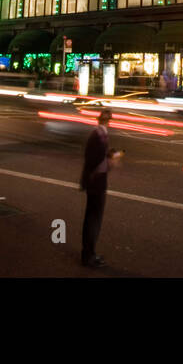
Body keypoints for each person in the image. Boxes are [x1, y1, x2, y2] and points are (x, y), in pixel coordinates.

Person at [79, 108, 119, 268]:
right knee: (93, 221)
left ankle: (88, 253)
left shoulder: (99, 133)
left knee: (92, 219)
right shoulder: (99, 135)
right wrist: (110, 161)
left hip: (94, 183)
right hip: (96, 184)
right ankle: (88, 256)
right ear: (108, 120)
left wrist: (108, 155)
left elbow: (95, 157)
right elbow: (95, 161)